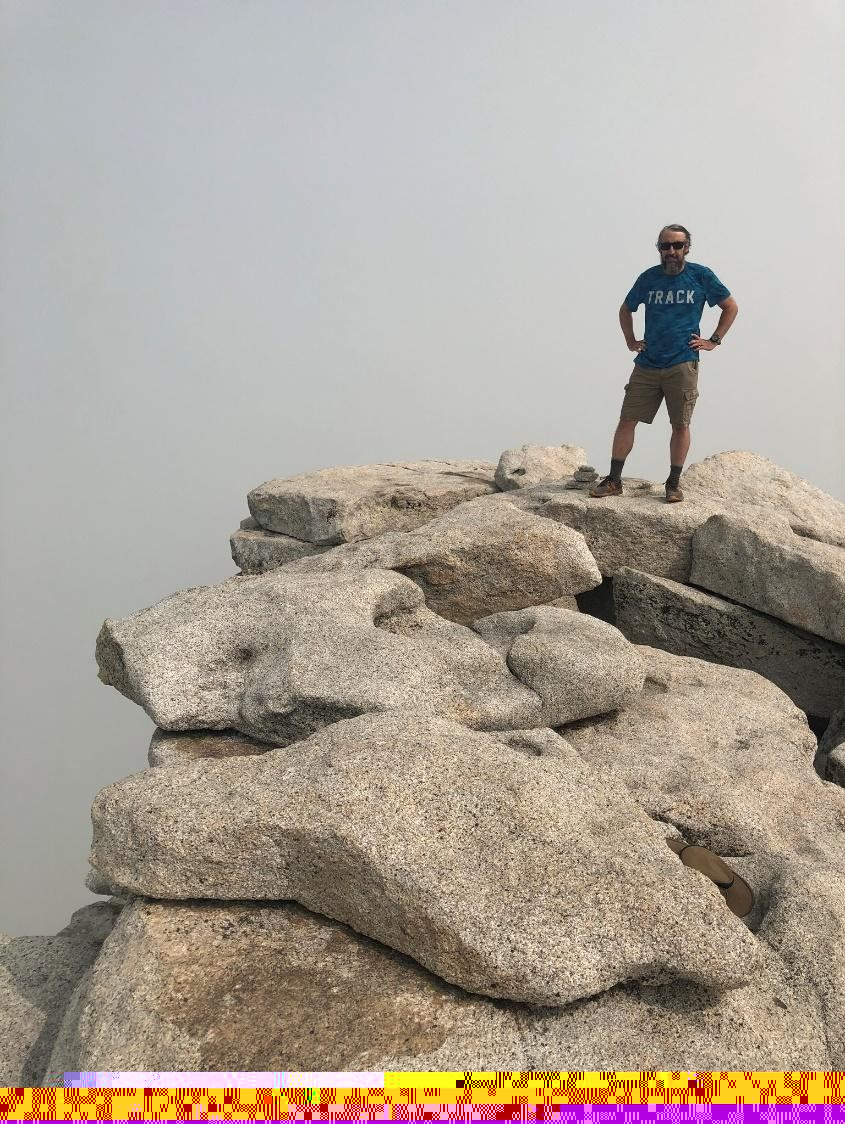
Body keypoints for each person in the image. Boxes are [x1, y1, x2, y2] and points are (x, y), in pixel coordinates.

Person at [589, 224, 738, 503]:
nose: (671, 251)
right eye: (665, 246)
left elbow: (730, 306)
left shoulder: (700, 276)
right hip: (647, 362)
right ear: (659, 248)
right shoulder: (648, 278)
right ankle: (613, 480)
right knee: (627, 420)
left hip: (682, 362)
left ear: (687, 248)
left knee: (680, 424)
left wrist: (713, 340)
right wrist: (631, 339)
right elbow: (626, 308)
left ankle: (673, 483)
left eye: (677, 245)